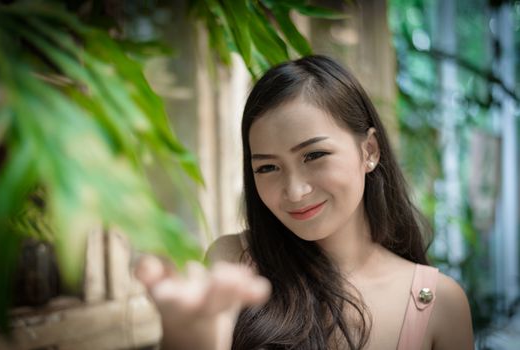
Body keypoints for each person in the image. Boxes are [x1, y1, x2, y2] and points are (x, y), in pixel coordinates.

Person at [136, 55, 474, 349]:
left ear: (368, 151)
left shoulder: (439, 303)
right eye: (268, 167)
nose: (295, 191)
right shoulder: (236, 263)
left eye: (314, 155)